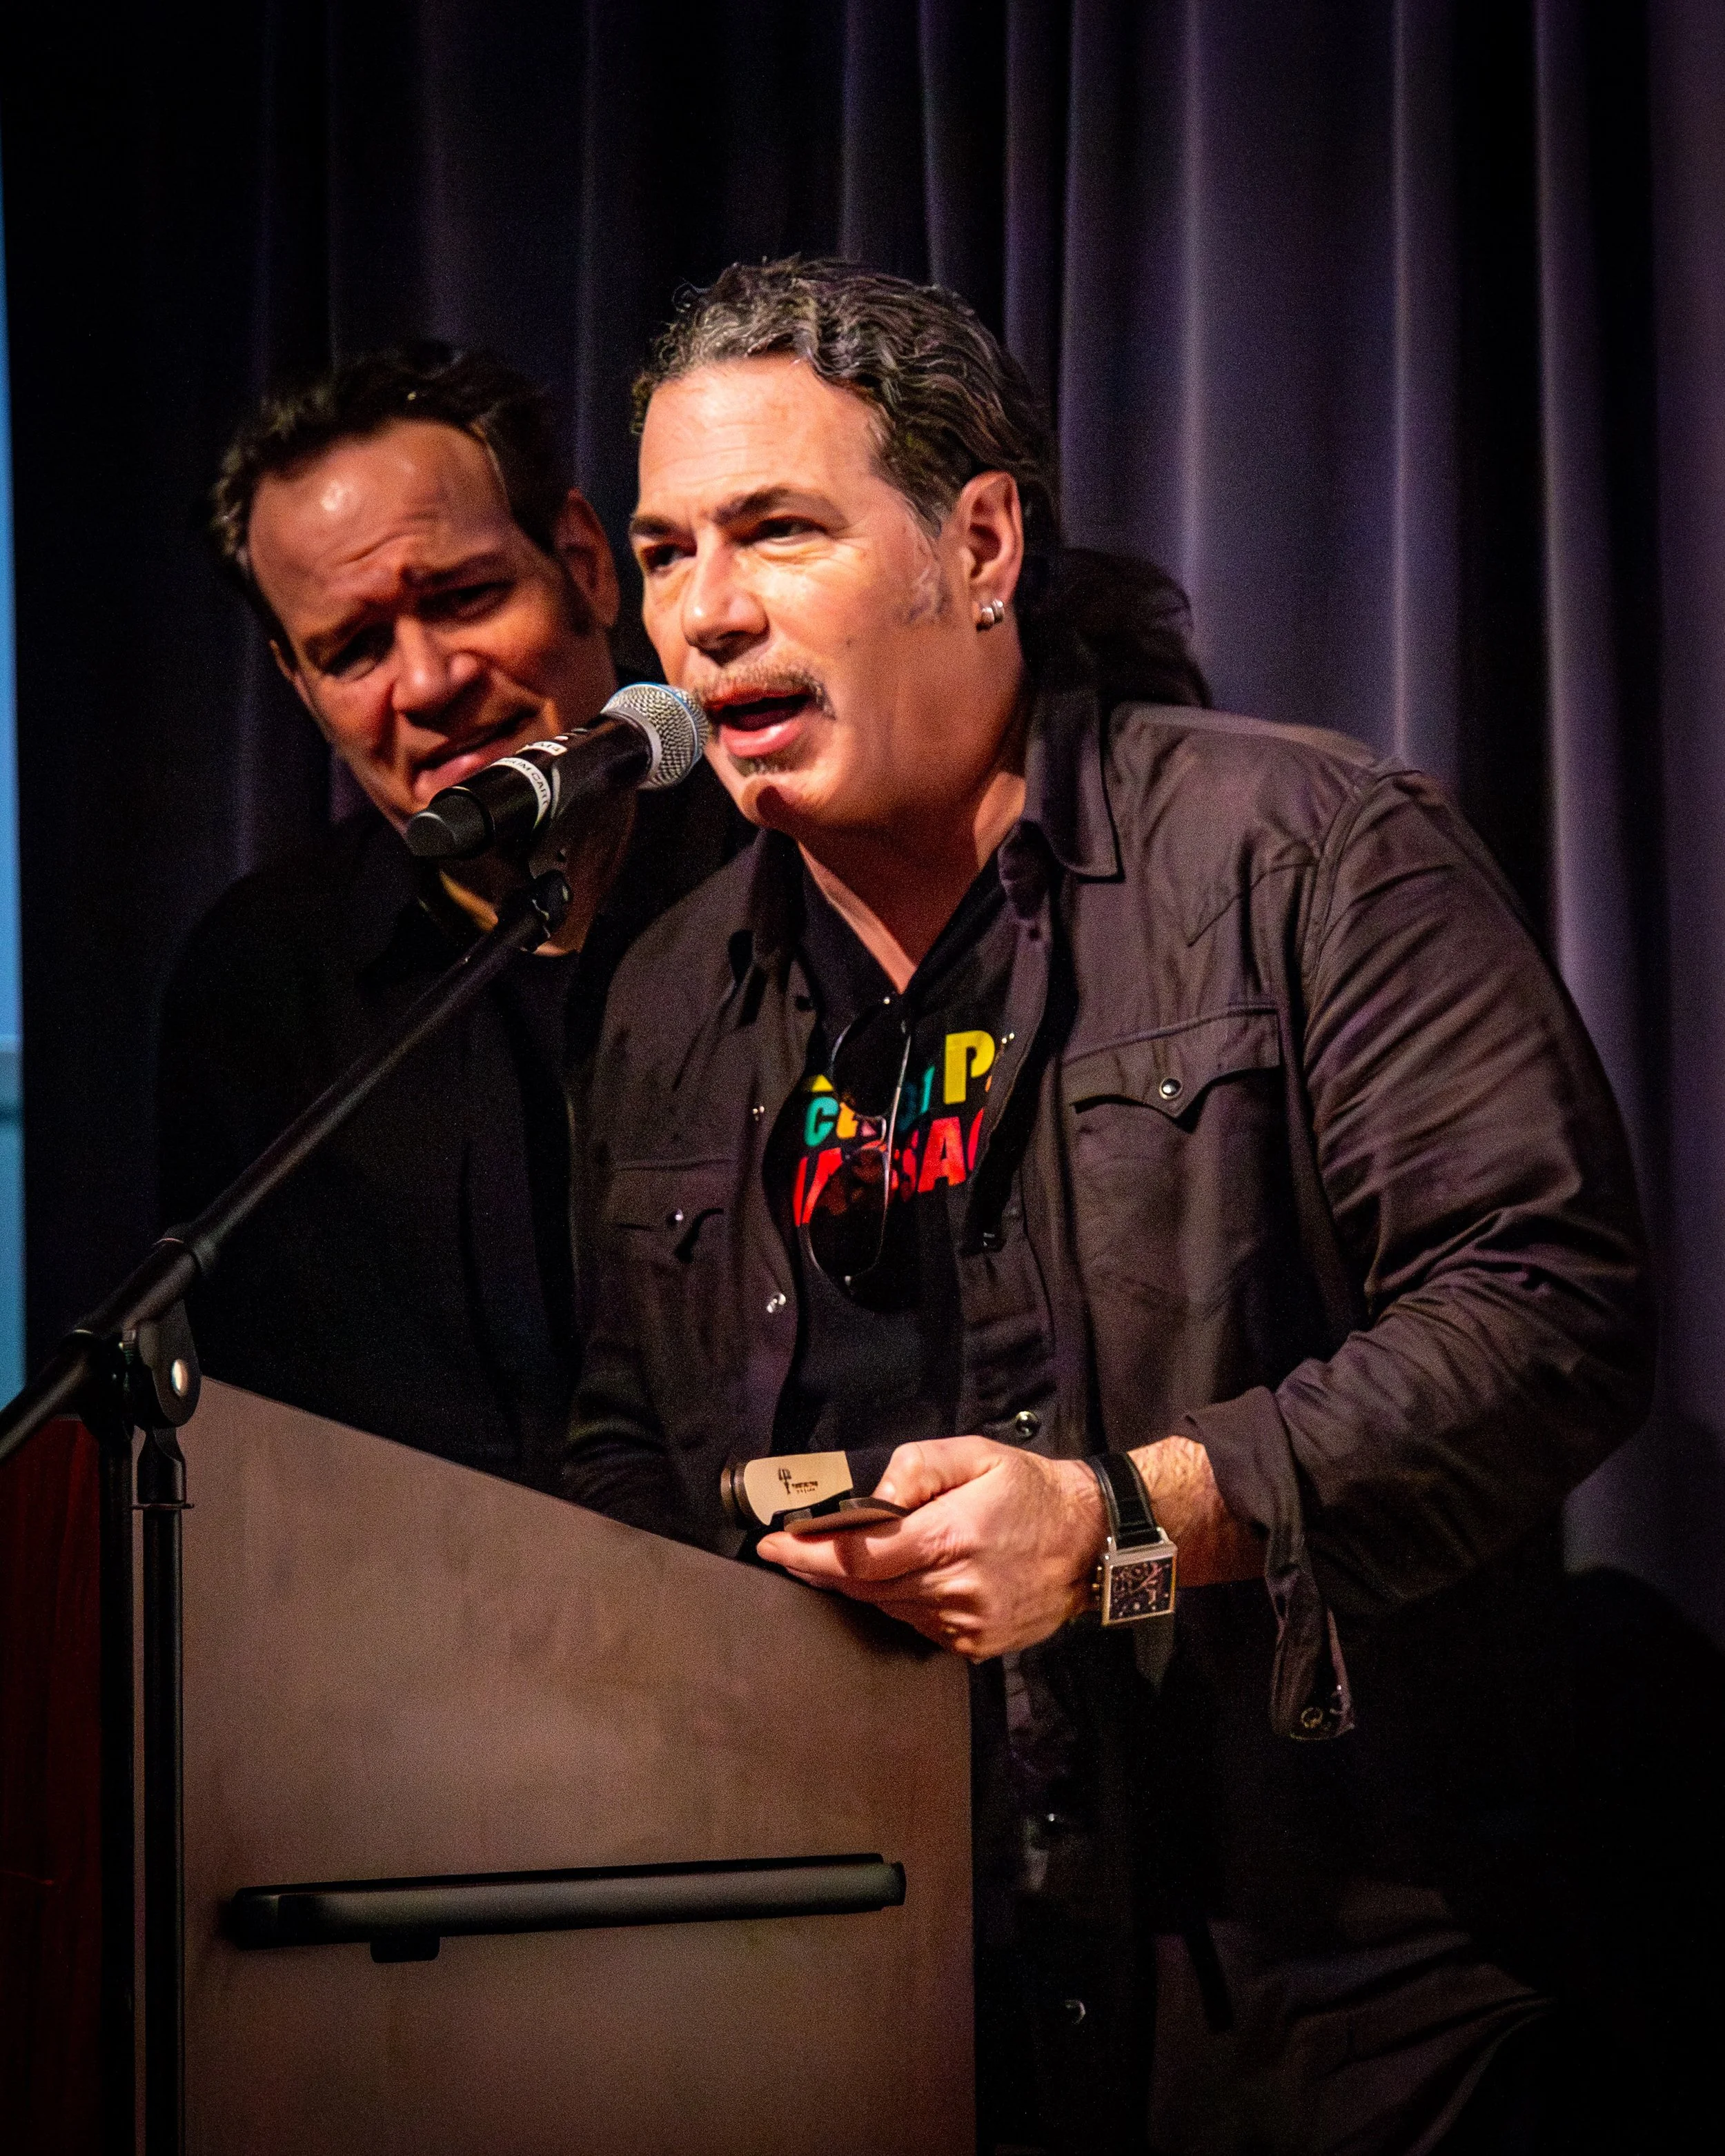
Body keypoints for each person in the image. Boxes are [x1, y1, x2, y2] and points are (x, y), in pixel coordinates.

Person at [563, 261, 1655, 2155]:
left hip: (1319, 2005)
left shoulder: (1303, 850)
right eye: (664, 553)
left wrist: (1122, 1518)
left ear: (977, 540)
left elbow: (1546, 1306)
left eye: (777, 530)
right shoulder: (672, 995)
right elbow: (619, 1440)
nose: (705, 614)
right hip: (860, 1989)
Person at [157, 345, 741, 1486]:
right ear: (297, 683)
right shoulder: (260, 980)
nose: (423, 684)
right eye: (353, 650)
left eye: (465, 598)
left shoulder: (798, 879)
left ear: (586, 563)